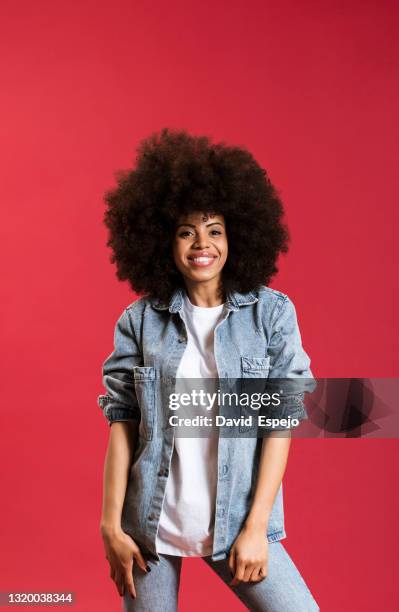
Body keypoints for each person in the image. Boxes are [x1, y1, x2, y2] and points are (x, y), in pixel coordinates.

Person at [97, 128, 319, 611]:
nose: (202, 243)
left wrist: (257, 526)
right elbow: (123, 426)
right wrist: (111, 527)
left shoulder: (271, 315)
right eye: (186, 231)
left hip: (235, 520)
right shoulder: (139, 321)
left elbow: (279, 423)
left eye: (214, 229)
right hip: (148, 530)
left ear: (236, 235)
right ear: (163, 241)